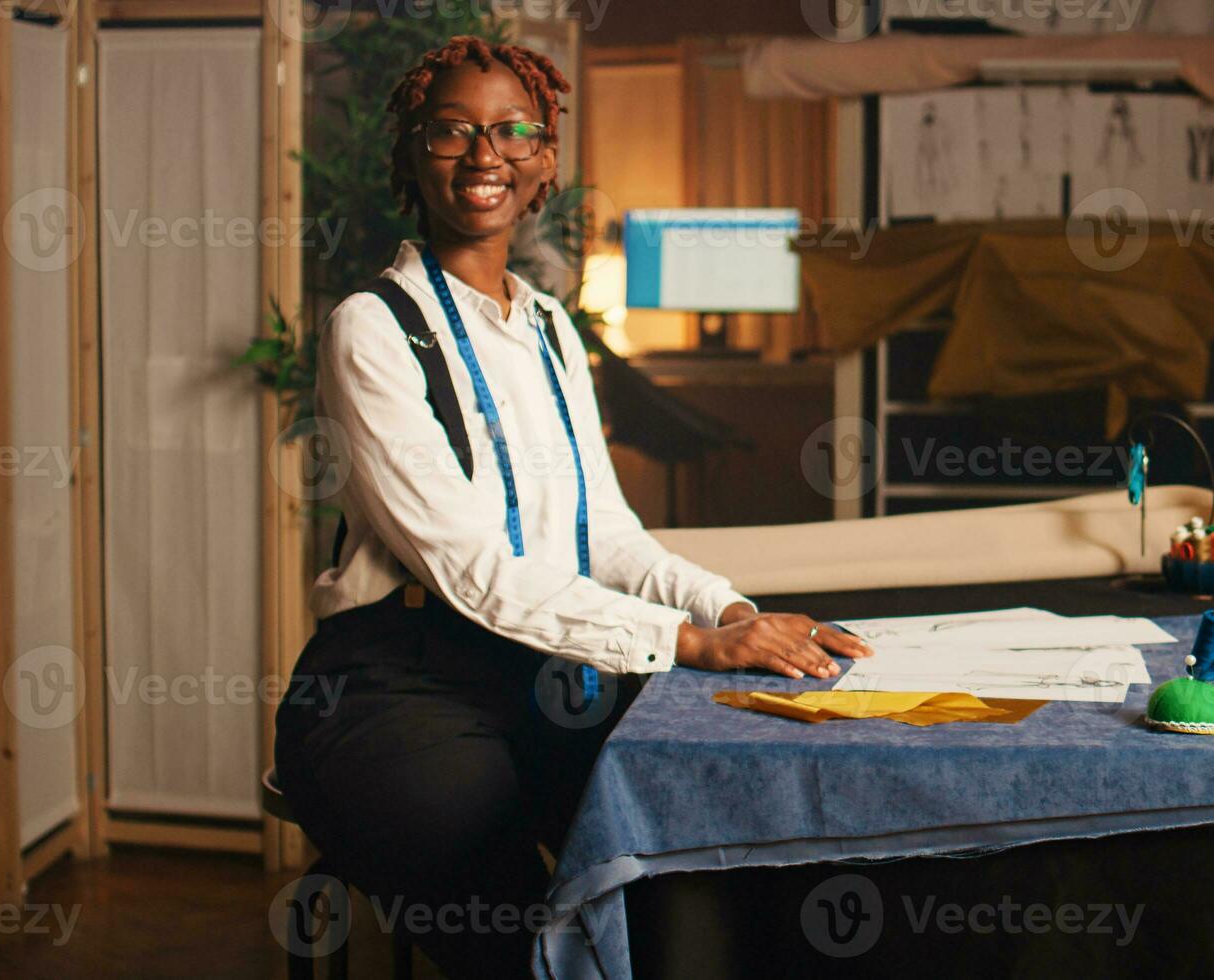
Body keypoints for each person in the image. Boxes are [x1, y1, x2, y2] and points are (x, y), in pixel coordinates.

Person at [273, 36, 870, 977]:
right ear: (412, 153)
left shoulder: (550, 325)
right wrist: (687, 642)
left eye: (512, 131)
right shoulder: (373, 328)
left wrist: (730, 611)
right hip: (400, 687)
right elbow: (474, 569)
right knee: (521, 939)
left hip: (545, 673)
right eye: (452, 131)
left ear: (544, 159)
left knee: (692, 861)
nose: (484, 155)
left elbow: (608, 537)